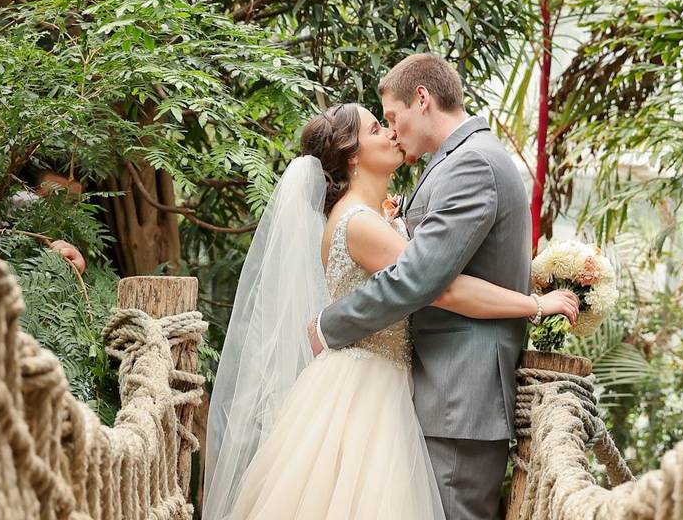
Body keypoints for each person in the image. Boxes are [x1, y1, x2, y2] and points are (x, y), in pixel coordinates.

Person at [203, 97, 577, 518]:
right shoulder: (360, 224)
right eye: (376, 128)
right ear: (353, 156)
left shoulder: (368, 219)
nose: (391, 132)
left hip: (374, 379)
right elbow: (443, 289)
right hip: (369, 391)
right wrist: (533, 303)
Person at [309, 53, 543, 519]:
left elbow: (422, 277)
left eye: (392, 119)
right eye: (381, 126)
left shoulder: (470, 164)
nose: (393, 132)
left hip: (459, 393)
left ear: (422, 99)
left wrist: (329, 324)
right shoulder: (457, 161)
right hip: (439, 391)